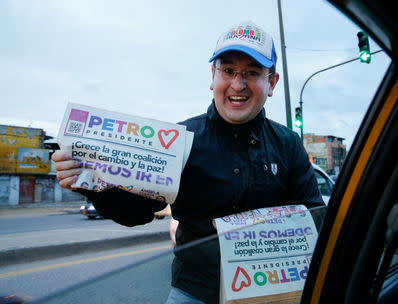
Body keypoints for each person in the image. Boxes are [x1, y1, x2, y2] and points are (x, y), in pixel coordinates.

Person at [52, 21, 324, 304]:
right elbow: (136, 213)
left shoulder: (288, 143)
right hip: (195, 292)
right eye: (228, 70)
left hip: (272, 293)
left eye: (252, 73)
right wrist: (91, 181)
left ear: (272, 83)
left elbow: (314, 216)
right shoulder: (177, 142)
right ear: (213, 76)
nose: (238, 84)